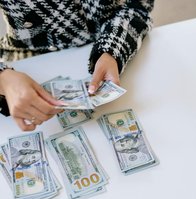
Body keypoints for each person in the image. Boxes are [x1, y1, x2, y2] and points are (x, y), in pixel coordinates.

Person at [0, 0, 154, 131]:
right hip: (25, 57)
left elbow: (138, 6)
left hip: (111, 37)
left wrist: (112, 50)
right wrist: (4, 78)